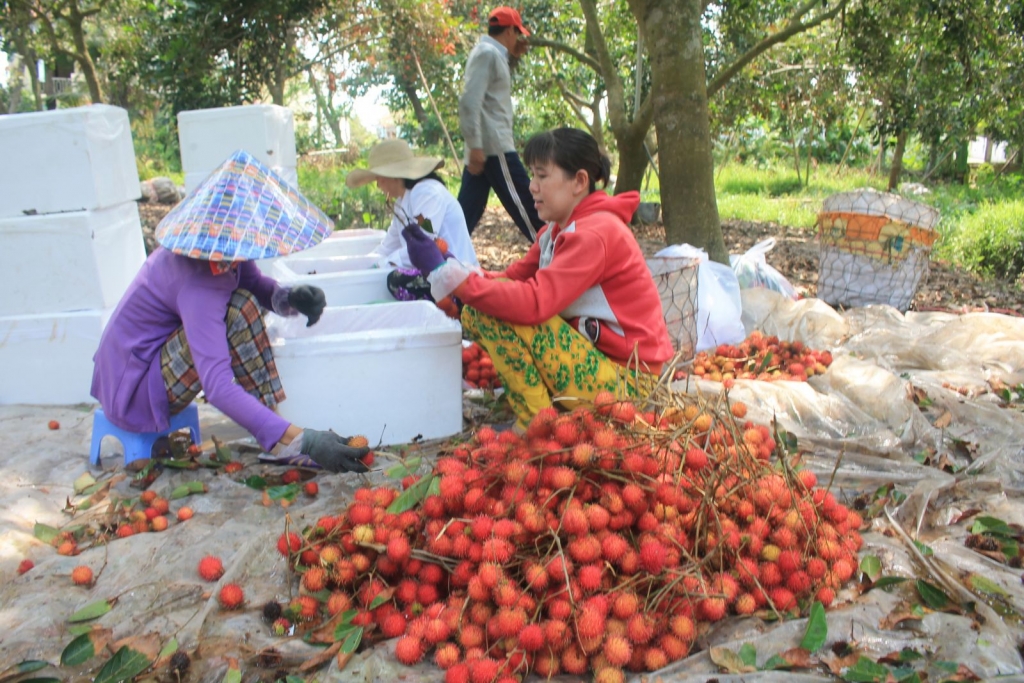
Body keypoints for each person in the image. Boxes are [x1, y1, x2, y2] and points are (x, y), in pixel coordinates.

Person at [91, 151, 370, 474]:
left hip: (136, 366)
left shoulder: (224, 252)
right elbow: (218, 386)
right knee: (238, 311)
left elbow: (253, 283)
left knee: (243, 302)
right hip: (135, 389)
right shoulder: (198, 284)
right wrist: (304, 440)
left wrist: (290, 299)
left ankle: (277, 433)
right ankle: (281, 438)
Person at [404, 127, 674, 429]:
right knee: (484, 306)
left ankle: (540, 426)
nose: (531, 186)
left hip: (627, 386)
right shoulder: (555, 232)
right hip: (596, 366)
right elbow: (509, 278)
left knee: (489, 309)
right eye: (532, 175)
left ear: (579, 181)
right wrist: (449, 265)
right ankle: (543, 414)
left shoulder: (596, 234)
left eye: (542, 176)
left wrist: (457, 281)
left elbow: (534, 302)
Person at [346, 139, 478, 304]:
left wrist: (382, 265)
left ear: (393, 176)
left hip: (458, 277)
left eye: (379, 178)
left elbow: (423, 245)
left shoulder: (426, 192)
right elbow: (387, 247)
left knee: (396, 280)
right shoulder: (402, 202)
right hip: (438, 275)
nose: (378, 185)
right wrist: (361, 267)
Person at [457, 6, 545, 243]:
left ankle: (436, 262)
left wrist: (514, 55)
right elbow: (468, 103)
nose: (517, 39)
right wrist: (475, 145)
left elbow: (493, 88)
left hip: (485, 148)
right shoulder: (487, 54)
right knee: (529, 208)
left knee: (463, 217)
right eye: (517, 34)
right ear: (509, 31)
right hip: (495, 147)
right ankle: (558, 254)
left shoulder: (491, 54)